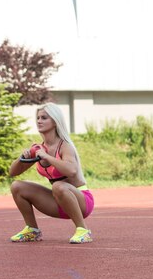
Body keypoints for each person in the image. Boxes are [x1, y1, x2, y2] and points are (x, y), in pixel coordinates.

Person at [8, 103, 94, 244]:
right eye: (38, 118)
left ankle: (83, 230)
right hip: (58, 201)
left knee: (59, 185)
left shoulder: (65, 146)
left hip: (81, 202)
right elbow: (12, 172)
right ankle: (32, 230)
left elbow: (71, 171)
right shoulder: (38, 148)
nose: (39, 121)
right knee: (17, 186)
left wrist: (47, 157)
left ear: (55, 121)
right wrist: (22, 158)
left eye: (44, 118)